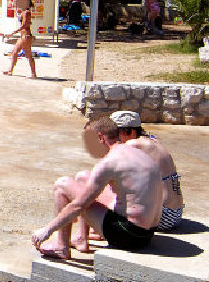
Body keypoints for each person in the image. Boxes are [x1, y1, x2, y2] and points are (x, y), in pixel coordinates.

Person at [31, 116, 162, 260]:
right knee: (84, 177)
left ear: (101, 138)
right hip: (147, 234)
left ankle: (61, 247)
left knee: (62, 185)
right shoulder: (136, 153)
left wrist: (47, 230)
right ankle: (81, 238)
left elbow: (79, 205)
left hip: (128, 235)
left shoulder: (109, 162)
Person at [112, 111, 184, 232]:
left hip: (161, 217)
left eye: (115, 134)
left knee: (104, 191)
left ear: (131, 132)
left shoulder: (133, 144)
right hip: (175, 214)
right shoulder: (153, 140)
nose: (114, 139)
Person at [3, 0, 36, 79]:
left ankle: (11, 71)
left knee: (18, 53)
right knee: (21, 53)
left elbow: (24, 25)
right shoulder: (25, 12)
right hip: (25, 36)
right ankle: (11, 71)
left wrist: (13, 32)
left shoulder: (26, 12)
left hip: (25, 36)